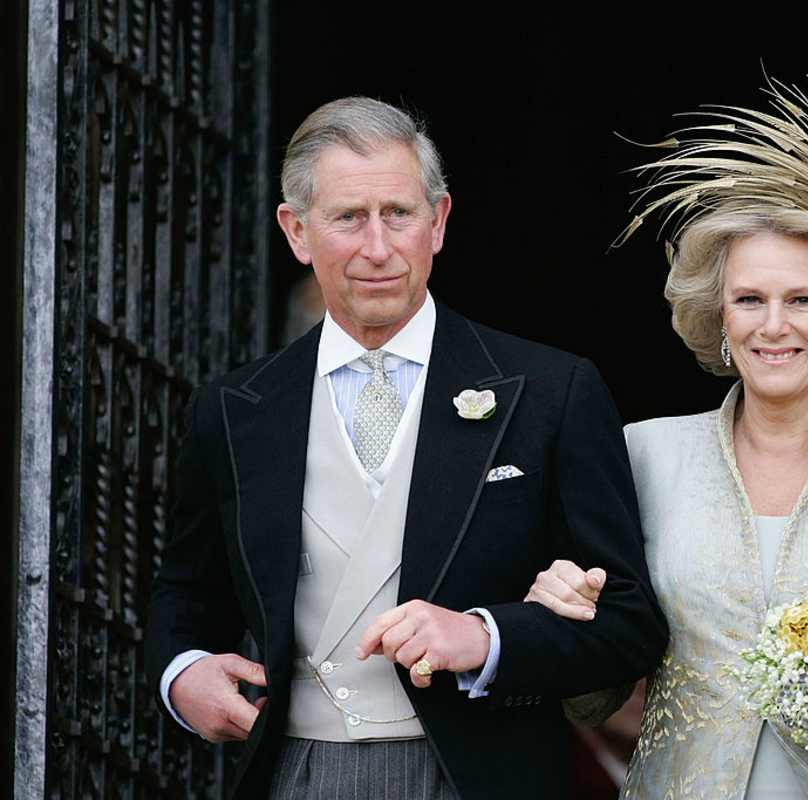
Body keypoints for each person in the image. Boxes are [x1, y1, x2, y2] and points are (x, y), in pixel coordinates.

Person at [144, 96, 668, 800]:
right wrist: (184, 674)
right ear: (297, 231)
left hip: (482, 773)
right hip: (297, 772)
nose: (379, 248)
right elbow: (186, 592)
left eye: (399, 214)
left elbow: (630, 624)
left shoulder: (551, 392)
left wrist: (487, 638)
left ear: (439, 222)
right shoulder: (235, 410)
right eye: (348, 218)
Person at [526, 78, 808, 799]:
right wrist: (565, 625)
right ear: (721, 316)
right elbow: (595, 697)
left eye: (802, 299)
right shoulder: (646, 455)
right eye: (750, 300)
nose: (774, 326)